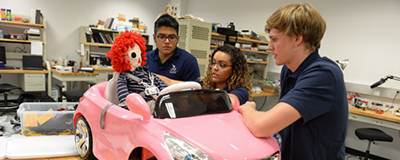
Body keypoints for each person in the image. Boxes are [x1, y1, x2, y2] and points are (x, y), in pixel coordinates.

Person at [239, 3, 348, 160]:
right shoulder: (289, 69)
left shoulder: (324, 74)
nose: (269, 47)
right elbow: (283, 120)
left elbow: (261, 127)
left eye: (274, 40)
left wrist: (248, 108)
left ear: (297, 38)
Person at [160, 44, 252, 106]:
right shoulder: (207, 84)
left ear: (235, 70)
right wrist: (150, 76)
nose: (215, 68)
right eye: (213, 63)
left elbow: (227, 101)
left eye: (222, 65)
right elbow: (175, 83)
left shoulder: (241, 91)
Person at [106, 31, 168, 112]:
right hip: (141, 106)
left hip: (158, 101)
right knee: (158, 107)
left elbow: (161, 83)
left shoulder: (146, 72)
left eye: (140, 54)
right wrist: (130, 107)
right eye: (134, 55)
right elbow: (124, 97)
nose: (139, 58)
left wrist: (166, 94)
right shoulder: (124, 77)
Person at [145, 14, 200, 81]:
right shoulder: (146, 59)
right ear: (154, 38)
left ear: (178, 39)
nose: (167, 41)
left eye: (171, 37)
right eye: (162, 37)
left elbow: (194, 88)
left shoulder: (189, 61)